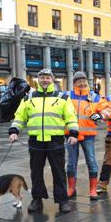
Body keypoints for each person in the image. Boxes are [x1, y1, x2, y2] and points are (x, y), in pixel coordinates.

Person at [9, 69, 79, 213]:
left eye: (48, 77)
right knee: (36, 172)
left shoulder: (63, 97)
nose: (45, 80)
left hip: (55, 140)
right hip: (36, 141)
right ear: (38, 80)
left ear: (52, 79)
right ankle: (37, 199)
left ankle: (63, 200)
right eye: (42, 78)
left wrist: (73, 133)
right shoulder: (29, 98)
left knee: (59, 172)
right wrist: (14, 131)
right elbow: (20, 117)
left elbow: (71, 117)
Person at [65, 71, 107, 200]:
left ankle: (93, 189)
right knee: (71, 162)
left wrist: (102, 115)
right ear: (74, 83)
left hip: (88, 135)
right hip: (71, 134)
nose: (82, 83)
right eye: (79, 81)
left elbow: (107, 108)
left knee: (91, 161)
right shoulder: (66, 96)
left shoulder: (93, 97)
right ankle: (71, 188)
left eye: (84, 80)